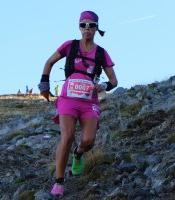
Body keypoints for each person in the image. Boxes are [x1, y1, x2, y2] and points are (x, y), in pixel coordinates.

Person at [38, 11, 118, 197]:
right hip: (68, 99)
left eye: (91, 25)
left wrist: (103, 85)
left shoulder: (101, 53)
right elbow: (49, 62)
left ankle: (78, 152)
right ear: (79, 27)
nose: (87, 28)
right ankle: (59, 181)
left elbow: (114, 80)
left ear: (96, 27)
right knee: (67, 136)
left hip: (89, 101)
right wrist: (44, 84)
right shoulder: (70, 46)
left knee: (88, 141)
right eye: (83, 24)